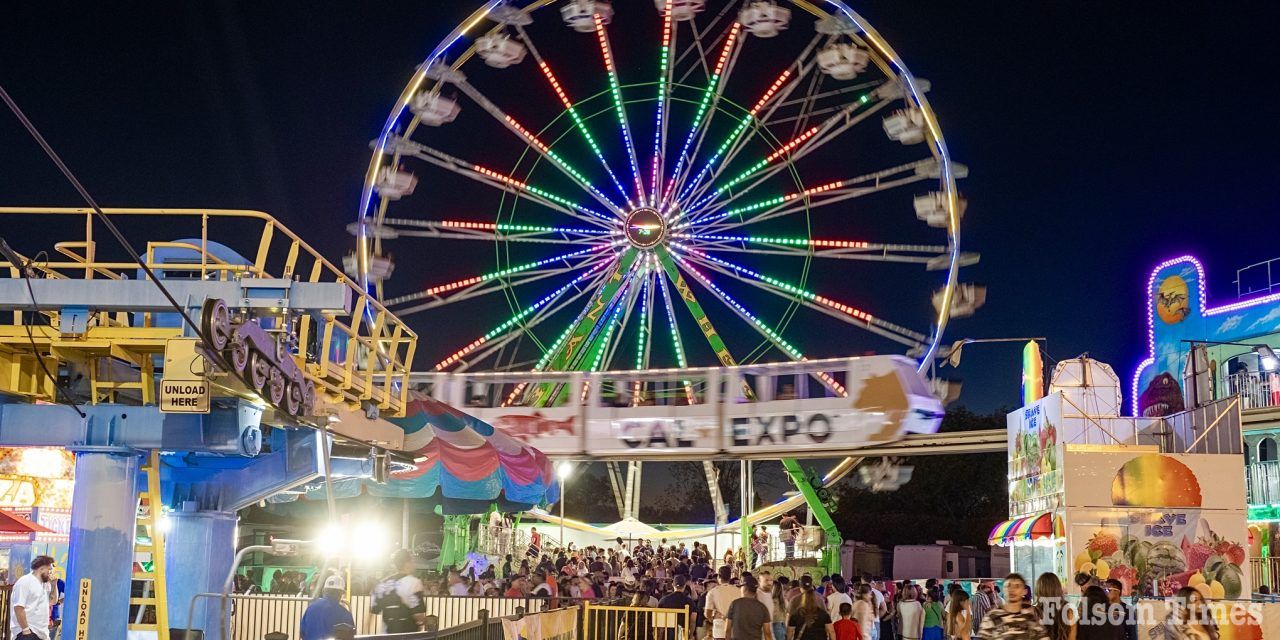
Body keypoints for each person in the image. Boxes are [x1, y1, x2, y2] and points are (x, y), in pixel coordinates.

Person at [976, 574, 1049, 640]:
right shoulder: (992, 617)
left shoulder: (1030, 619)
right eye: (1008, 586)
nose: (1012, 590)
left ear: (1024, 591)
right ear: (1003, 589)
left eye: (1017, 586)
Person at [370, 549, 426, 633]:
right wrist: (427, 621)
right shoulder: (413, 583)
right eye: (413, 561)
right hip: (408, 635)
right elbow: (418, 615)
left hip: (387, 635)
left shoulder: (382, 584)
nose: (414, 564)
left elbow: (372, 613)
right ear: (407, 564)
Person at [10, 555, 54, 640]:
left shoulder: (45, 584)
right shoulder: (25, 582)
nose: (51, 573)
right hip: (28, 632)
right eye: (49, 570)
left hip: (42, 633)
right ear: (41, 569)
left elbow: (53, 601)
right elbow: (19, 607)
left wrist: (54, 584)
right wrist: (26, 630)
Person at [300, 574, 356, 640]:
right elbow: (349, 636)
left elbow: (302, 632)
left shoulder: (311, 608)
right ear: (340, 593)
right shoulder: (344, 614)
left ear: (324, 590)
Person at [1150, 587, 1217, 640]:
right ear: (1185, 602)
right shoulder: (1175, 624)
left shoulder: (1206, 620)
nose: (1200, 603)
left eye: (1201, 599)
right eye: (1195, 600)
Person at [1033, 573, 1075, 640]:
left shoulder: (1035, 612)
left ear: (1039, 590)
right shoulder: (1068, 611)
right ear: (1058, 589)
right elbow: (1072, 637)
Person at [708, 566, 743, 640]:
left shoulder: (712, 592)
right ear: (730, 577)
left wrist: (714, 617)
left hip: (719, 630)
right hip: (735, 629)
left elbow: (708, 613)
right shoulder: (739, 591)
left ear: (719, 577)